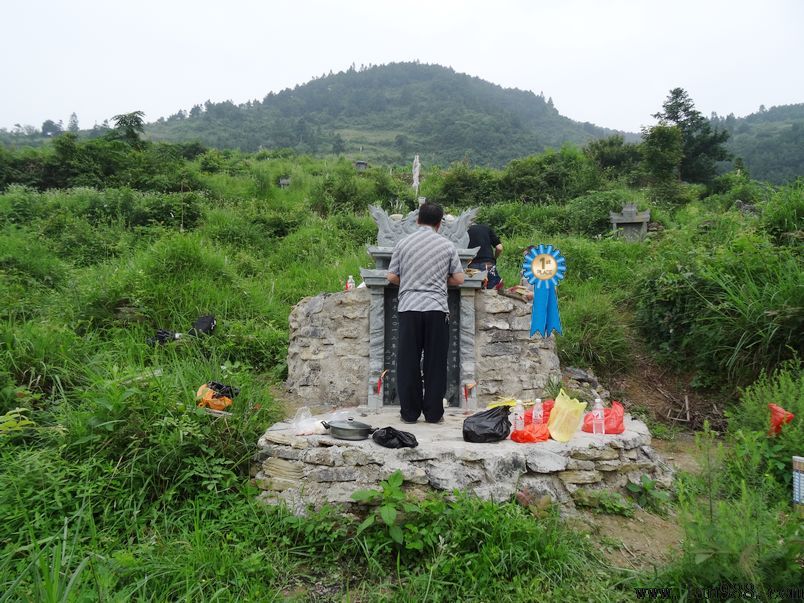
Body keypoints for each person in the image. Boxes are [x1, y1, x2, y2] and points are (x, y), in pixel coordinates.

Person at [387, 203, 464, 423]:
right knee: (435, 361)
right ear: (439, 224)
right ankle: (433, 414)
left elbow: (391, 276)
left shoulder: (404, 243)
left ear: (418, 220)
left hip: (409, 308)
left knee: (408, 361)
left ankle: (409, 413)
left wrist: (410, 281)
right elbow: (459, 279)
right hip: (436, 308)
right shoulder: (446, 245)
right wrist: (440, 280)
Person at [467, 223, 503, 289]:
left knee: (474, 291)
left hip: (472, 266)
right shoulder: (486, 228)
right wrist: (494, 259)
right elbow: (499, 248)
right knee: (494, 289)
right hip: (488, 264)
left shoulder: (465, 231)